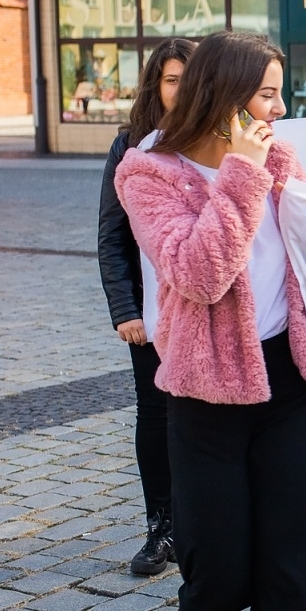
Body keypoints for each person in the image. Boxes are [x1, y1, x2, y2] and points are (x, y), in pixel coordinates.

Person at [116, 31, 306, 611]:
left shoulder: (281, 154)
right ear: (229, 95)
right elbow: (200, 275)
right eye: (267, 93)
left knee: (287, 573)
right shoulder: (149, 171)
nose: (279, 108)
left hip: (290, 389)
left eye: (278, 93)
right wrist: (241, 171)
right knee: (222, 565)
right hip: (205, 397)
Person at [98, 36, 195, 577]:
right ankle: (162, 525)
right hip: (151, 314)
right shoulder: (130, 146)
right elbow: (112, 236)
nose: (181, 89)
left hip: (205, 307)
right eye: (172, 79)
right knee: (155, 416)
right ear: (156, 86)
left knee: (204, 418)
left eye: (189, 78)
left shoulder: (217, 137)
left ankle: (199, 522)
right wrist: (125, 309)